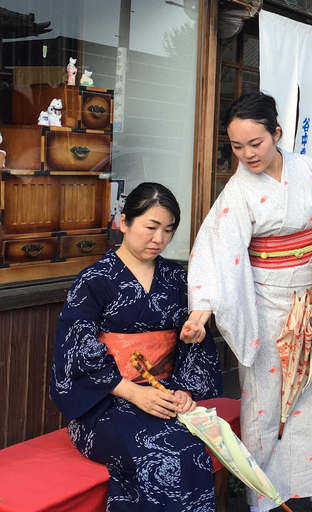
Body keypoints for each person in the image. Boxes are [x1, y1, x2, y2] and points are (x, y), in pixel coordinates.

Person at [183, 91, 312, 512]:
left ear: (277, 133)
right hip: (264, 303)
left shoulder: (309, 170)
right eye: (236, 146)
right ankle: (265, 495)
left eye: (254, 143)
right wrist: (201, 311)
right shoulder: (237, 192)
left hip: (311, 299)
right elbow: (216, 254)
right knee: (263, 400)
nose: (246, 154)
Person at [49, 182, 223, 511]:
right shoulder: (94, 280)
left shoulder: (176, 278)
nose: (159, 239)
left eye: (168, 230)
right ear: (124, 222)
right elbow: (75, 350)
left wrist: (185, 385)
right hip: (105, 404)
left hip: (164, 393)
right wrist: (132, 392)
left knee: (190, 447)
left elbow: (189, 342)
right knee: (159, 455)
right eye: (151, 227)